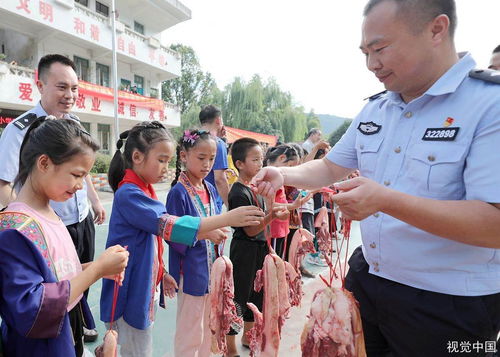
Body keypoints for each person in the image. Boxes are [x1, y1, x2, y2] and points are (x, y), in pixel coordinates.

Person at [253, 0, 500, 356]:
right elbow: (330, 167)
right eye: (365, 52)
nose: (372, 64)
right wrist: (284, 173)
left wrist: (386, 201)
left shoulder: (488, 106)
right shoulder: (377, 107)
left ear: (436, 29)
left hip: (451, 303)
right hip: (369, 280)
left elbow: (493, 223)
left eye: (380, 48)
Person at [100, 123, 263, 357]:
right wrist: (225, 219)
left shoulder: (145, 189)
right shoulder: (130, 193)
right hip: (134, 287)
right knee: (140, 347)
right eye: (162, 160)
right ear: (137, 157)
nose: (166, 168)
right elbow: (168, 226)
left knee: (198, 329)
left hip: (149, 281)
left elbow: (149, 241)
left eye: (168, 161)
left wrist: (161, 272)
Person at [0, 118, 129, 357]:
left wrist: (96, 267)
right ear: (44, 163)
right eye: (77, 174)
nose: (81, 185)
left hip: (65, 331)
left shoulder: (48, 211)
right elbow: (32, 308)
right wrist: (96, 271)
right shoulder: (14, 229)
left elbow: (55, 273)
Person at [0, 54, 105, 342]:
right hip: (43, 226)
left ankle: (78, 321)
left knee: (73, 272)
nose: (69, 95)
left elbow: (81, 171)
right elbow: (4, 184)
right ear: (40, 85)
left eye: (74, 88)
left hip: (76, 219)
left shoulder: (75, 125)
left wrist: (93, 201)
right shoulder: (19, 130)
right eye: (61, 87)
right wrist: (26, 223)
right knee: (50, 284)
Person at [166, 130, 265, 357]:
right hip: (190, 271)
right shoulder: (178, 193)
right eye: (201, 158)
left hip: (211, 270)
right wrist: (207, 233)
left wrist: (216, 231)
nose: (207, 164)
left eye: (211, 159)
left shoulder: (210, 189)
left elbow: (213, 221)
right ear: (183, 156)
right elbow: (172, 234)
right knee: (189, 331)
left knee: (210, 327)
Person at [225, 138, 288, 357]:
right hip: (244, 250)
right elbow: (251, 230)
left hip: (258, 249)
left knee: (256, 295)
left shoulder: (255, 189)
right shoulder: (238, 193)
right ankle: (229, 347)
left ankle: (248, 337)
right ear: (240, 163)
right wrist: (272, 216)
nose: (260, 163)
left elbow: (261, 227)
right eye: (255, 159)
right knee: (239, 297)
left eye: (261, 158)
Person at [199, 105, 230, 211]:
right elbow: (220, 179)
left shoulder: (190, 139)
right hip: (210, 201)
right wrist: (230, 206)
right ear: (218, 120)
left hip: (193, 196)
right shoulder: (217, 143)